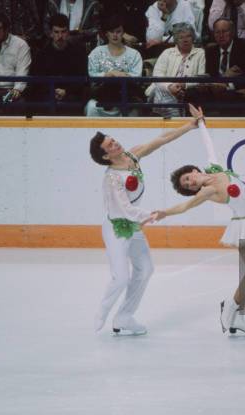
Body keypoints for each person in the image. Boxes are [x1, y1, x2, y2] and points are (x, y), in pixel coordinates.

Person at [151, 105, 245, 335]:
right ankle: (231, 310)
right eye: (186, 185)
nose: (190, 183)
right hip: (243, 225)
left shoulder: (216, 168)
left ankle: (237, 315)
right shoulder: (207, 191)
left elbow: (208, 144)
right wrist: (165, 212)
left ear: (194, 170)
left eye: (187, 178)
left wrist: (201, 121)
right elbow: (186, 206)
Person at [89, 107, 204, 335]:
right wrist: (150, 215)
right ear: (105, 156)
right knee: (121, 277)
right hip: (116, 229)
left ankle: (124, 317)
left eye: (114, 141)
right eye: (110, 146)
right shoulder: (112, 178)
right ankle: (102, 312)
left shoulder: (132, 156)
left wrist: (190, 125)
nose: (116, 145)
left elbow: (160, 140)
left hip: (134, 227)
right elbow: (125, 209)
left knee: (145, 269)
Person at [86, 15, 142, 117]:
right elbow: (92, 74)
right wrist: (108, 74)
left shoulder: (134, 54)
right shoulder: (96, 52)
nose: (115, 35)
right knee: (91, 106)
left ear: (123, 33)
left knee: (135, 109)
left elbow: (137, 77)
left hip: (127, 97)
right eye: (112, 31)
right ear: (106, 33)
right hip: (101, 96)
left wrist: (121, 75)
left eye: (118, 31)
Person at [146, 22, 205, 118]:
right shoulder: (167, 53)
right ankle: (175, 118)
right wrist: (169, 87)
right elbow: (157, 75)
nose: (185, 40)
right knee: (159, 90)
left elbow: (201, 78)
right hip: (162, 90)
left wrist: (184, 85)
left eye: (188, 36)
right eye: (181, 37)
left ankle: (164, 118)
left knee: (176, 96)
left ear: (193, 38)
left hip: (185, 92)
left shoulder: (200, 53)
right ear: (176, 40)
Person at [33, 13, 87, 114]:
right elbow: (37, 80)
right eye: (56, 32)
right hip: (47, 95)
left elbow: (82, 78)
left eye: (63, 32)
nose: (60, 36)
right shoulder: (41, 54)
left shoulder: (79, 52)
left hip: (72, 95)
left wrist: (66, 91)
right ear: (51, 33)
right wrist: (52, 91)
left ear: (68, 33)